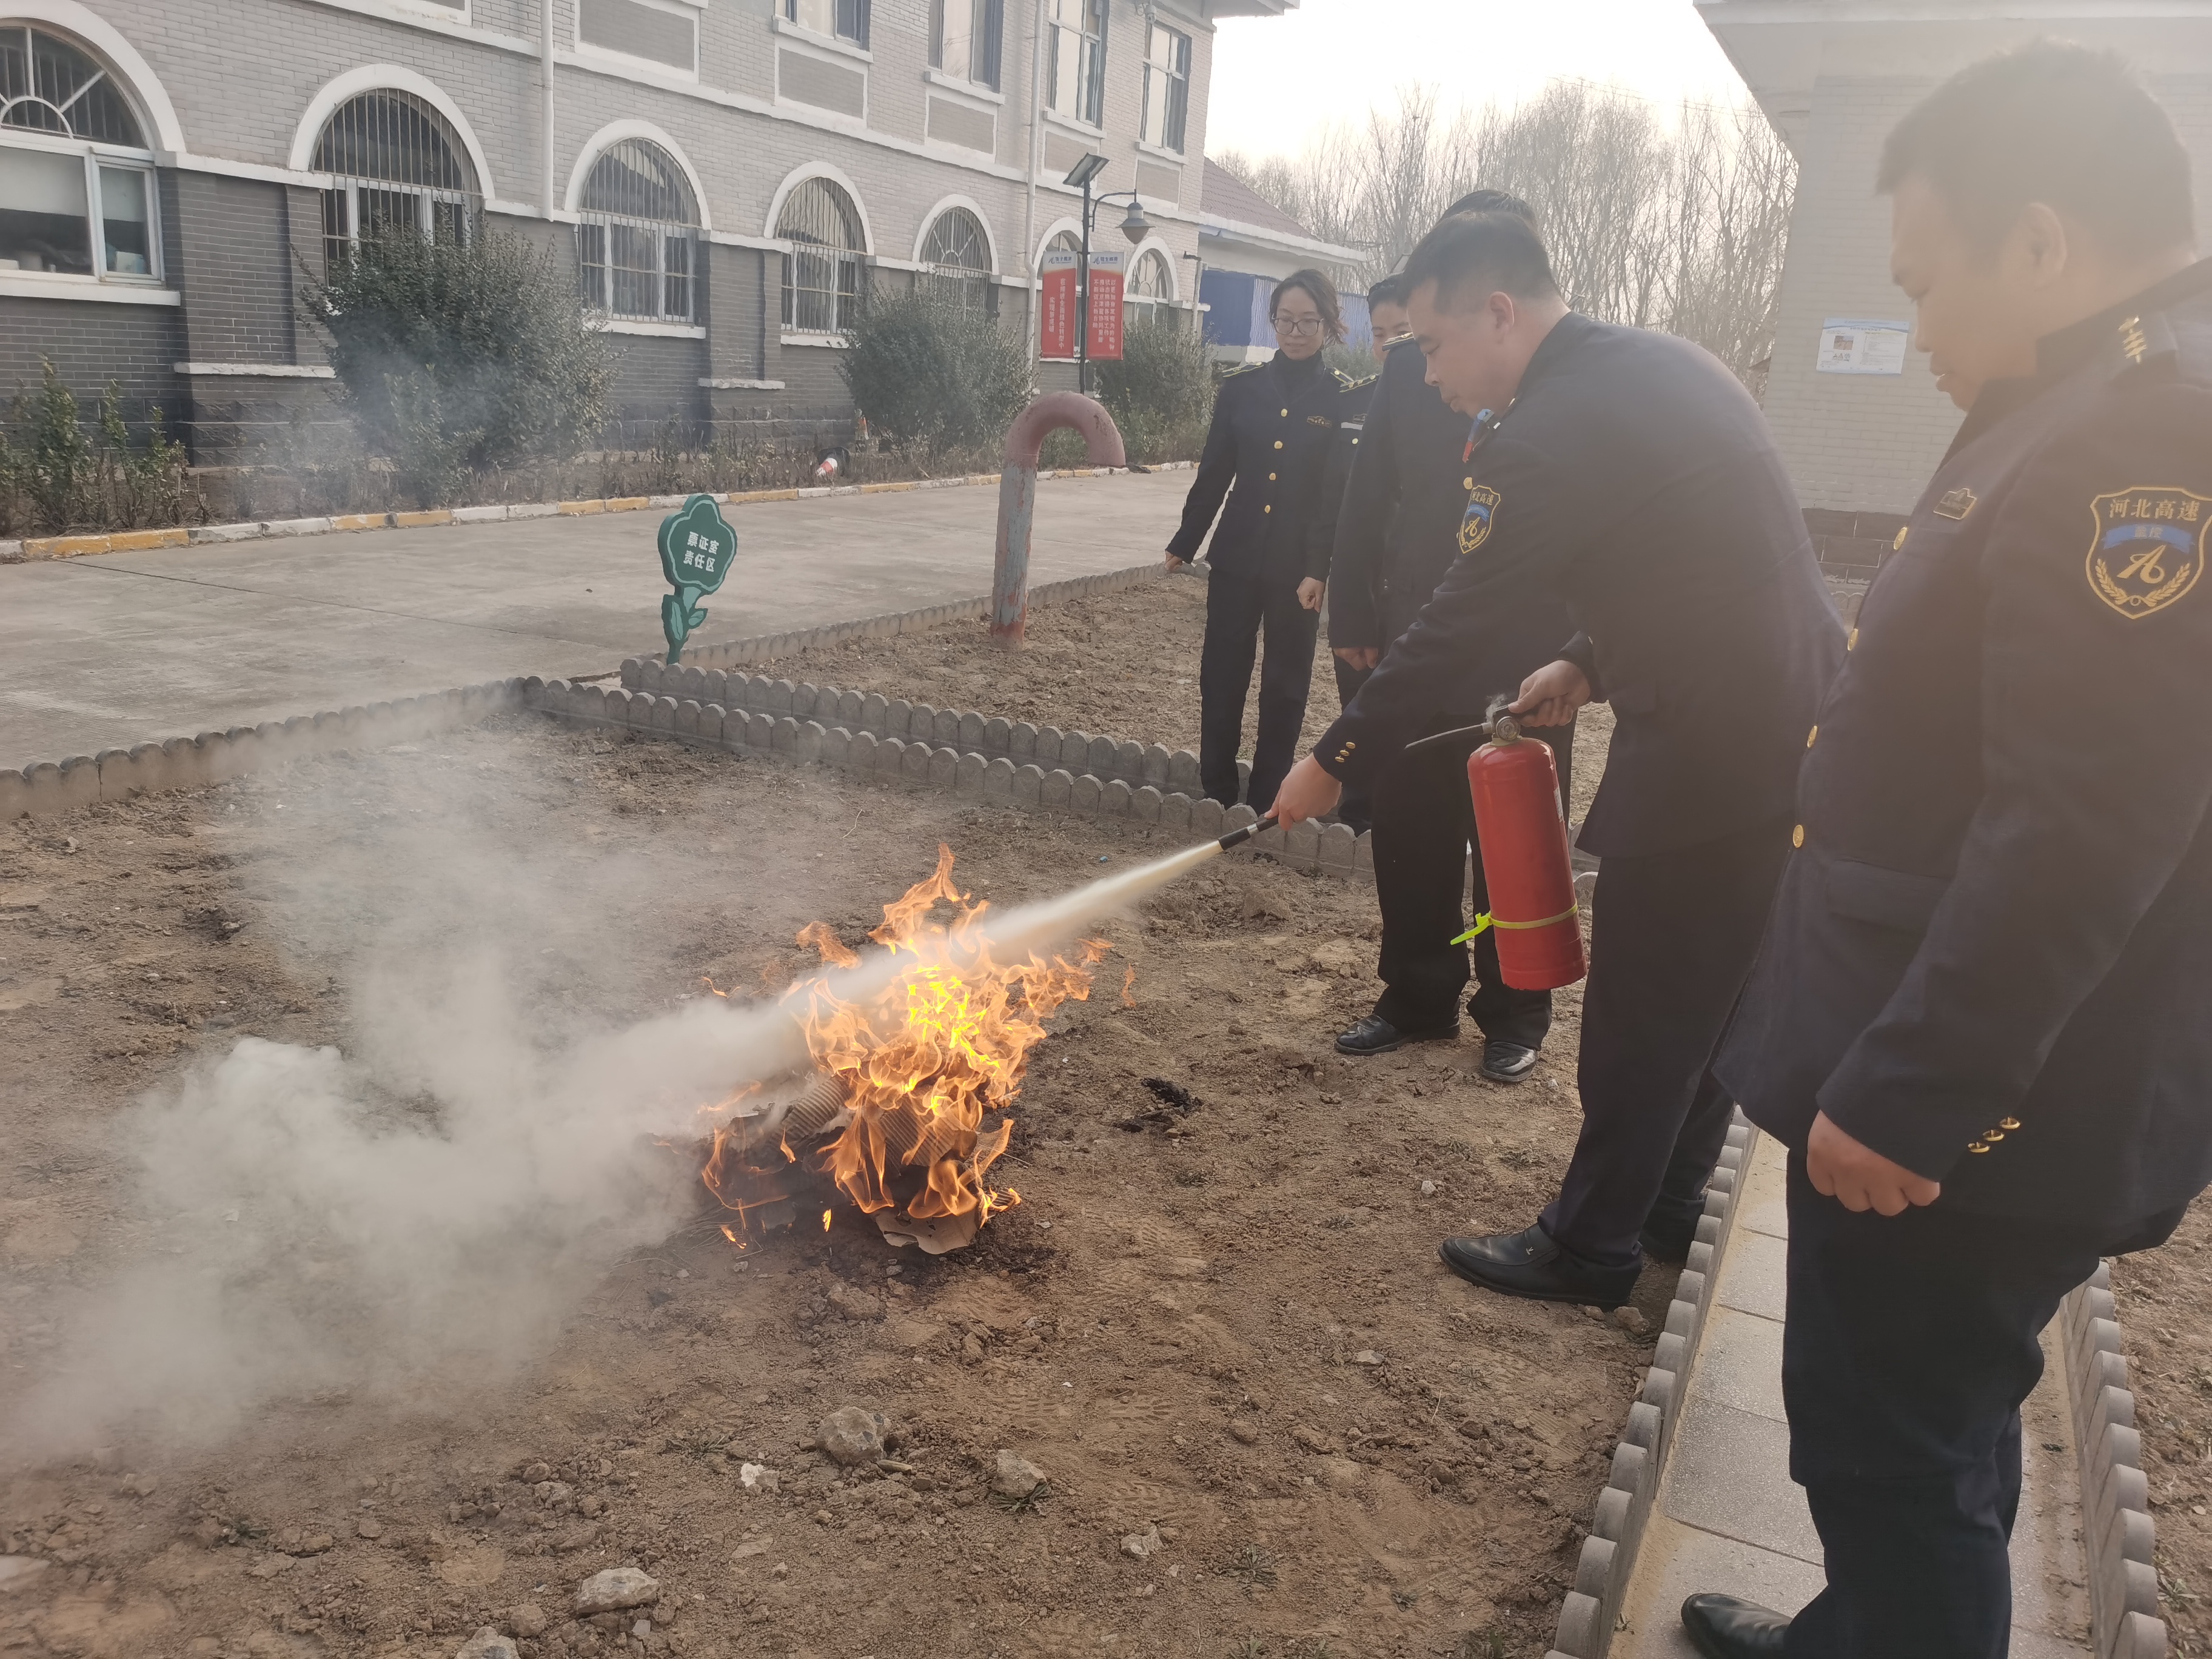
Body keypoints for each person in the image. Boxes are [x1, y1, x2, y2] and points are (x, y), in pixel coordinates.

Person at [1680, 42, 2212, 1659]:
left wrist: (1917, 1087)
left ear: (2040, 242)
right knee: (1927, 1427)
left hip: (1971, 1110)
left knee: (1894, 1451)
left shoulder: (2142, 434)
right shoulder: (2075, 399)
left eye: (1922, 284)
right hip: (1968, 1067)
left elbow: (2085, 819)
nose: (1914, 331)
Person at [1270, 209, 1843, 1303]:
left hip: (1714, 745)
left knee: (1647, 1005)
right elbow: (1695, 555)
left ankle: (1589, 1246)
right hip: (1791, 715)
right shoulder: (1656, 365)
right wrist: (1587, 657)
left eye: (1433, 345)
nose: (1428, 375)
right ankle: (1667, 1201)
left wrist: (1336, 756)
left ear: (1498, 312)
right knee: (1714, 990)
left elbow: (1451, 625)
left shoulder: (1543, 432)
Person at [1326, 192, 1580, 1082]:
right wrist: (1354, 617)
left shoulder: (1564, 378)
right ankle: (1417, 995)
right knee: (1411, 825)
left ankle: (1517, 1009)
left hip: (1528, 646)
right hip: (1416, 633)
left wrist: (1582, 647)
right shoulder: (1409, 372)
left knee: (1518, 834)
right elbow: (1368, 497)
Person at [1167, 269, 1353, 812]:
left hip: (1298, 569)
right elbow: (1214, 472)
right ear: (1272, 321)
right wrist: (1187, 539)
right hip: (1237, 556)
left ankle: (1270, 795)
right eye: (1285, 320)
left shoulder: (1341, 399)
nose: (1295, 332)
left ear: (1328, 326)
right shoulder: (1242, 389)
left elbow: (1333, 496)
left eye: (1308, 322)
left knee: (1286, 685)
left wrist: (1319, 566)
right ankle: (1217, 789)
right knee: (1222, 673)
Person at [1306, 272, 1407, 837]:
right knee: (1358, 698)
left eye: (1403, 332)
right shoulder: (1356, 404)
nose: (1390, 346)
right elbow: (1334, 502)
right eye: (1381, 334)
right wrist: (1320, 571)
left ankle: (1400, 810)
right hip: (1360, 582)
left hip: (1415, 585)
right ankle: (1359, 813)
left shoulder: (1454, 405)